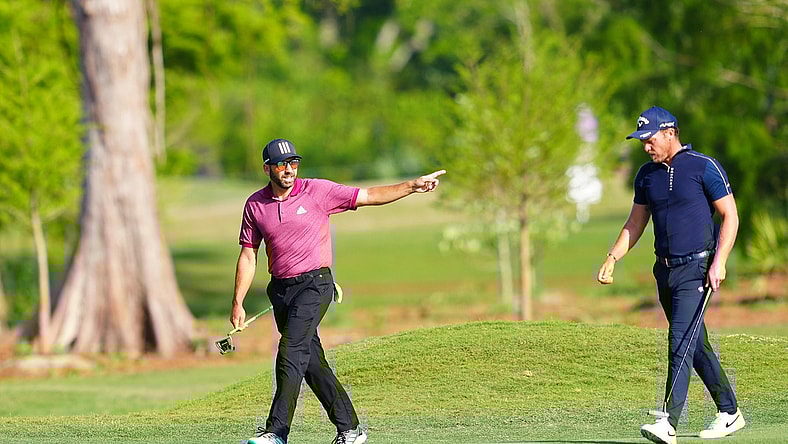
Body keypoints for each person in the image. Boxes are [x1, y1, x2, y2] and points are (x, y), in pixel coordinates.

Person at [231, 138, 446, 444]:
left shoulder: (316, 191)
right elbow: (248, 255)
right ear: (267, 168)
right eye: (281, 164)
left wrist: (411, 185)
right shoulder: (255, 204)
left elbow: (369, 195)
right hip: (280, 291)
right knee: (311, 363)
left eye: (294, 163)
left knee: (291, 352)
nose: (289, 170)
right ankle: (350, 429)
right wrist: (238, 301)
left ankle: (276, 433)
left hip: (315, 285)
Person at [596, 107, 745, 444]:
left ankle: (668, 421)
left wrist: (719, 261)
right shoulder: (646, 176)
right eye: (641, 141)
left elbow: (730, 216)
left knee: (679, 339)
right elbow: (635, 223)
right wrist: (613, 257)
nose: (646, 146)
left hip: (698, 268)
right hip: (664, 271)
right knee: (695, 343)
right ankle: (729, 411)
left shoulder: (703, 167)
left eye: (649, 139)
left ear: (669, 133)